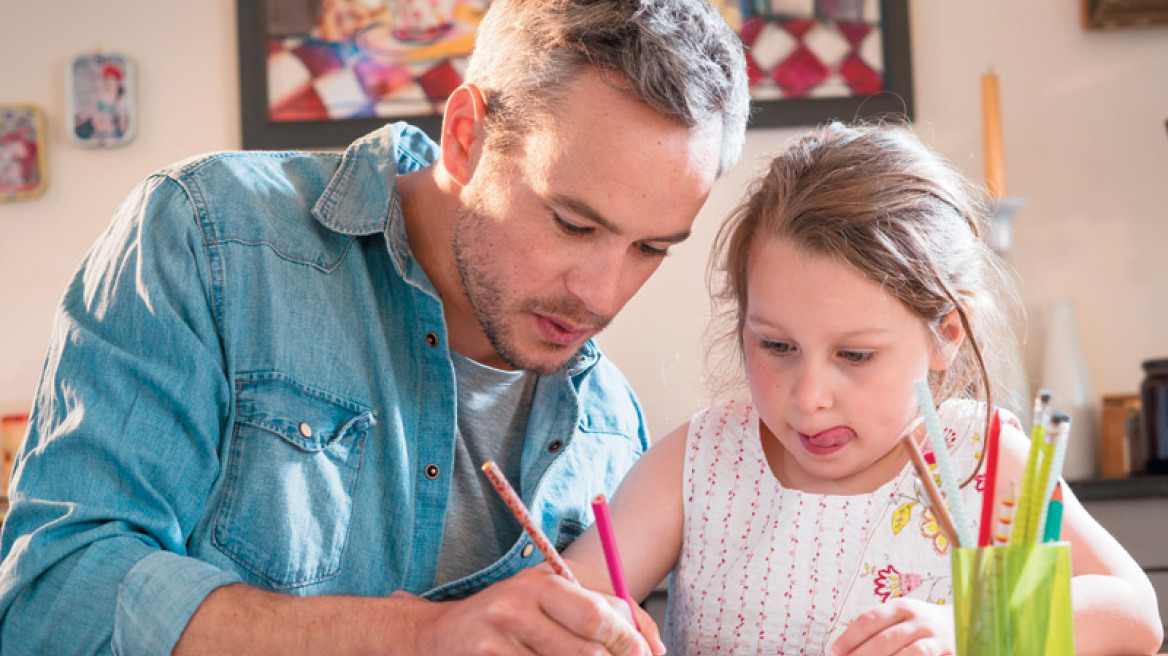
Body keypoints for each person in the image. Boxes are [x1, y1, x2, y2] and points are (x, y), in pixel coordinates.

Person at [0, 1, 749, 654]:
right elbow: (53, 599)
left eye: (650, 249)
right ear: (466, 136)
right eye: (573, 223)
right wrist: (416, 637)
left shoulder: (614, 430)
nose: (602, 295)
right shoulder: (210, 234)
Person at [563, 122, 1164, 656]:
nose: (809, 397)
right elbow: (561, 609)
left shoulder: (981, 458)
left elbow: (1135, 616)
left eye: (855, 355)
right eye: (777, 347)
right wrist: (588, 633)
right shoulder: (697, 463)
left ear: (945, 333)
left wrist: (970, 632)